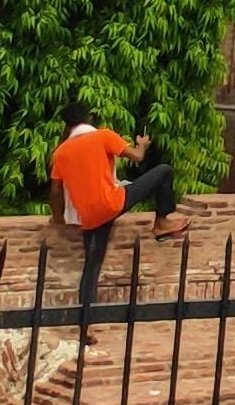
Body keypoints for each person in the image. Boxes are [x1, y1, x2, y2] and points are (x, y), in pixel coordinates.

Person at [49, 100, 186, 297]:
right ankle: (162, 223)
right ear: (88, 119)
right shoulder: (103, 135)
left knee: (91, 266)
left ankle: (85, 313)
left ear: (67, 125)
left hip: (88, 217)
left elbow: (55, 191)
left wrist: (58, 218)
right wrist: (142, 144)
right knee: (164, 172)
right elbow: (137, 156)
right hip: (111, 204)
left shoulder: (60, 152)